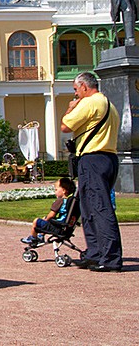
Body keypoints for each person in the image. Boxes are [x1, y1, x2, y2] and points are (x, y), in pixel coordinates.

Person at [60, 72, 122, 272]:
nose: (76, 94)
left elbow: (65, 126)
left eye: (76, 90)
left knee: (99, 208)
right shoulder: (110, 106)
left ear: (84, 87)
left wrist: (70, 109)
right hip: (108, 158)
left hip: (93, 159)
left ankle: (110, 258)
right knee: (88, 209)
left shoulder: (90, 102)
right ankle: (95, 253)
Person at [21, 177, 77, 245]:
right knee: (47, 219)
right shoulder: (69, 201)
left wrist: (46, 219)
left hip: (58, 227)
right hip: (65, 227)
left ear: (64, 191)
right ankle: (41, 235)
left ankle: (33, 238)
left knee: (36, 221)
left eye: (56, 190)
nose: (55, 192)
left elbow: (52, 214)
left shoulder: (59, 201)